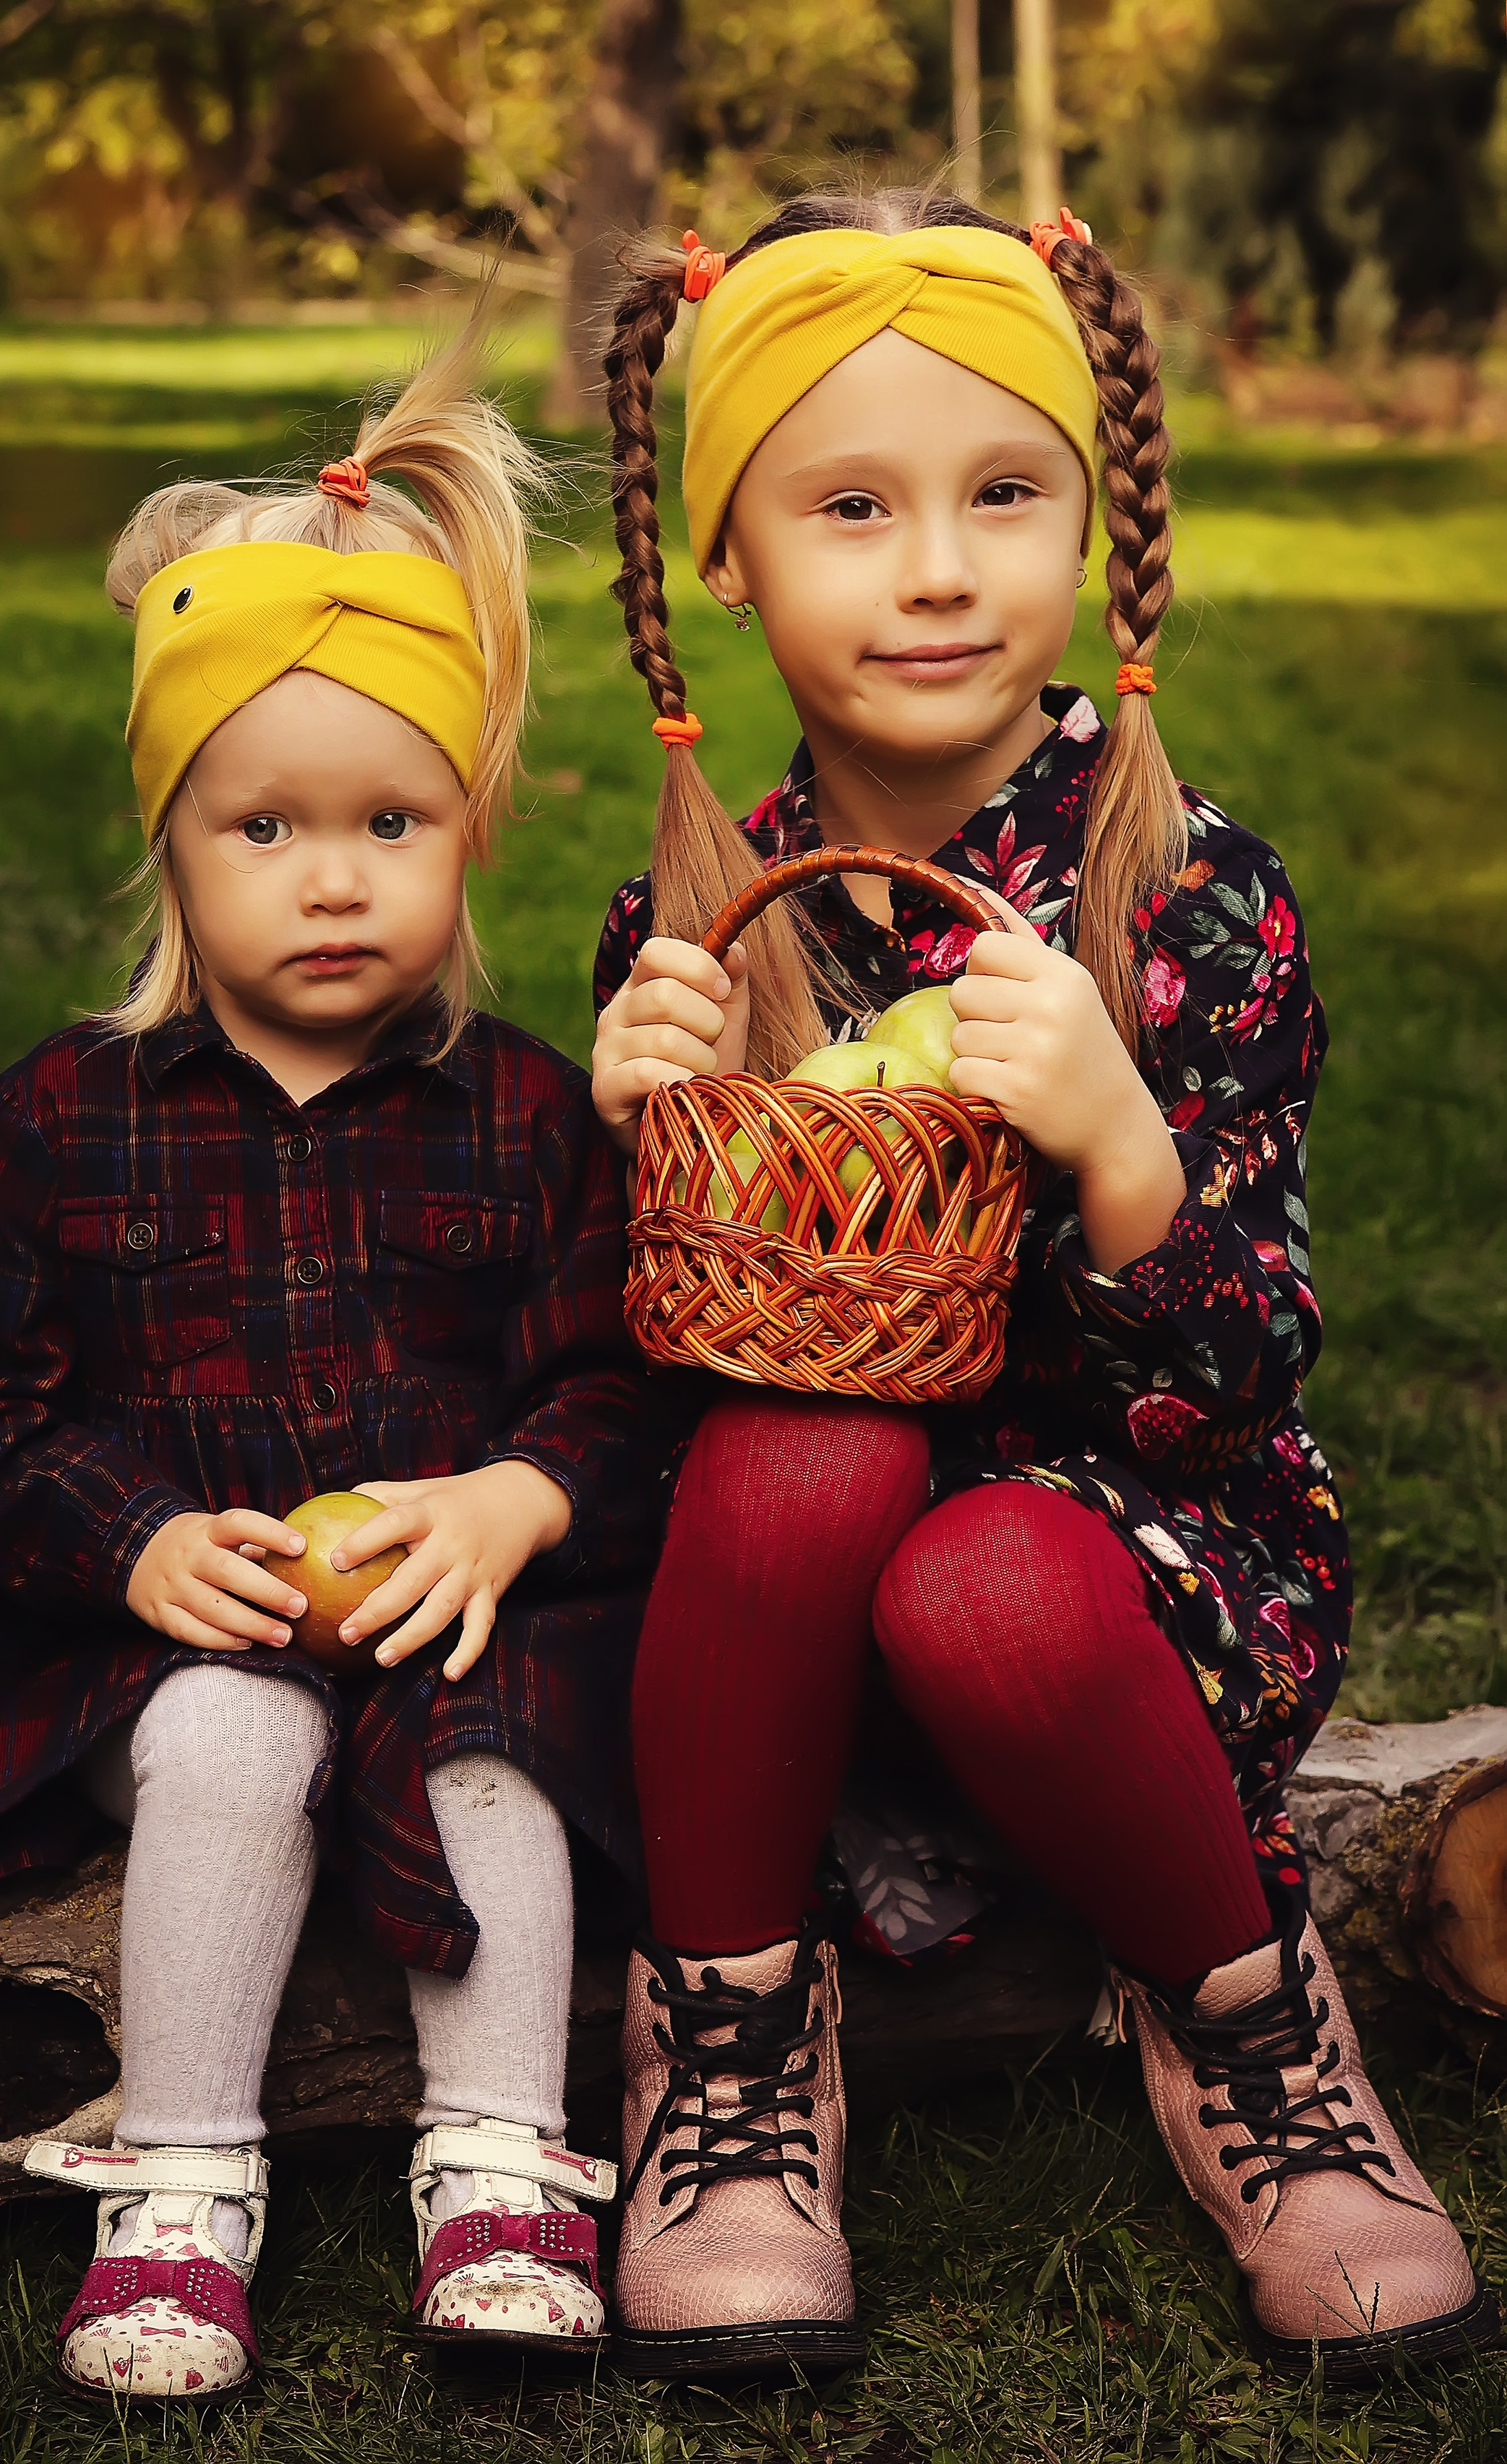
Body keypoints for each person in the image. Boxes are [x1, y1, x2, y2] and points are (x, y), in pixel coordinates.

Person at [589, 193, 1497, 2385]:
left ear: (1094, 529)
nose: (937, 568)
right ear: (730, 560)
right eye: (851, 506)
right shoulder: (712, 926)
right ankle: (727, 2041)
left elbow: (1245, 1377)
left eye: (1005, 493)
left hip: (1126, 1581)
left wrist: (1119, 1148)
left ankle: (1253, 2026)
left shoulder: (1188, 898)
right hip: (791, 1644)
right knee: (803, 1457)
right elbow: (642, 1384)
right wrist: (628, 1145)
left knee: (984, 1574)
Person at [0, 353, 653, 2399]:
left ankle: (502, 2164)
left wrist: (512, 1503)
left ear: (470, 829)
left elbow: (621, 1382)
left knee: (492, 1751)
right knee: (229, 1729)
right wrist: (136, 1544)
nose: (333, 875)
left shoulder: (530, 1113)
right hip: (159, 1634)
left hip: (441, 1612)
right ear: (173, 841)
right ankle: (182, 2181)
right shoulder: (62, 1116)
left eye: (392, 821)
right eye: (264, 824)